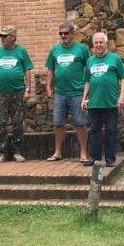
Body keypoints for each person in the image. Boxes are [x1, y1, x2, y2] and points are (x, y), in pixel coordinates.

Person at [81, 32, 124, 167]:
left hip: (111, 102)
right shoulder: (90, 60)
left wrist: (122, 97)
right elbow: (87, 81)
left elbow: (123, 78)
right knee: (94, 131)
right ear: (93, 44)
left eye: (101, 42)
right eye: (96, 42)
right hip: (94, 103)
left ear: (106, 43)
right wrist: (84, 98)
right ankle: (95, 159)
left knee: (111, 130)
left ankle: (110, 159)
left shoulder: (115, 58)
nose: (98, 45)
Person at [45, 21, 89, 163]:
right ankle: (57, 152)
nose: (63, 36)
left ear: (72, 34)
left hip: (77, 93)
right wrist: (48, 87)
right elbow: (50, 71)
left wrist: (87, 92)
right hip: (59, 93)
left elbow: (89, 70)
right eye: (61, 33)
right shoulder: (55, 50)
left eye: (66, 33)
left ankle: (83, 153)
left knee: (80, 123)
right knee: (58, 123)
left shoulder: (82, 49)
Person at [0, 25, 33, 163]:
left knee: (17, 122)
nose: (2, 38)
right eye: (1, 36)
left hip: (18, 92)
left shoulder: (21, 51)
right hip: (1, 92)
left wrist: (27, 89)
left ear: (13, 37)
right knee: (1, 122)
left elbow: (27, 70)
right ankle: (0, 152)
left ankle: (17, 152)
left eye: (5, 36)